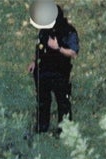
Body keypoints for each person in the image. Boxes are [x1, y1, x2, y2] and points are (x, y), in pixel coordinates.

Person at [27, 4, 79, 135]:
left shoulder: (69, 31)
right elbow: (39, 46)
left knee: (63, 102)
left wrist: (58, 48)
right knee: (43, 101)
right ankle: (42, 128)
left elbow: (73, 53)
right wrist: (34, 61)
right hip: (43, 71)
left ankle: (65, 131)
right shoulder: (44, 30)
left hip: (60, 72)